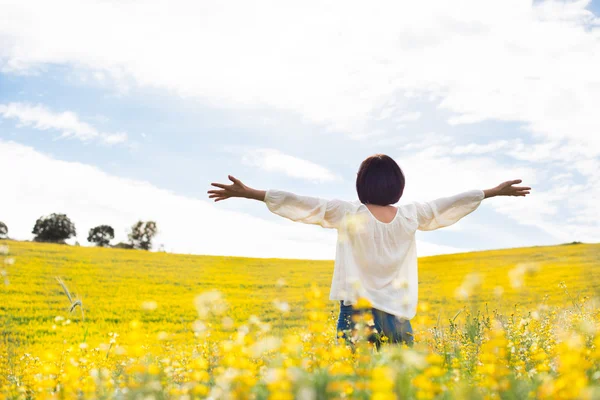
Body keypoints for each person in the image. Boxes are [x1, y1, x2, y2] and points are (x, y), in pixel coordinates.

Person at [207, 154, 531, 350]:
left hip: (356, 312)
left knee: (355, 383)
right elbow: (450, 203)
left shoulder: (348, 212)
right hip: (397, 314)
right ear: (397, 185)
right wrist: (492, 192)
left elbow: (301, 203)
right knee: (398, 383)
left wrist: (250, 193)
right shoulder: (410, 216)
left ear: (362, 184)